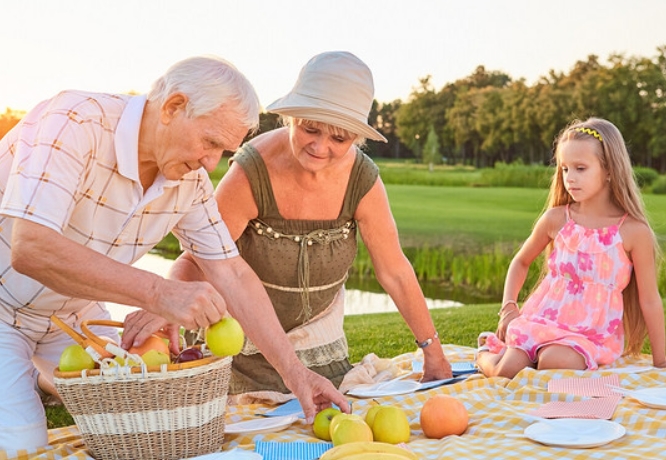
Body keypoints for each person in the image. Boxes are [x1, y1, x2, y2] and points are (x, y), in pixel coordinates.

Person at [0, 55, 348, 450]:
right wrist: (160, 295)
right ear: (172, 107)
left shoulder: (190, 181)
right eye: (211, 142)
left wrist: (296, 374)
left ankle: (39, 375)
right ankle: (29, 373)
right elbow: (31, 247)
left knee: (140, 427)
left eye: (224, 150)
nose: (211, 164)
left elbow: (230, 273)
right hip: (2, 304)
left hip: (74, 317)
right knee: (19, 446)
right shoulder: (75, 122)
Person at [166, 51, 453, 404]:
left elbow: (394, 271)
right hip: (236, 351)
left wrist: (432, 351)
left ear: (356, 139)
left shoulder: (362, 181)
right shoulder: (250, 173)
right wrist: (161, 307)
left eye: (339, 138)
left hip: (318, 353)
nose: (320, 147)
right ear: (290, 117)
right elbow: (198, 259)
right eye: (310, 128)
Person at [476, 117, 666, 379]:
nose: (570, 179)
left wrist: (662, 362)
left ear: (609, 169)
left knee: (554, 362)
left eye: (580, 168)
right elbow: (521, 261)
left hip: (589, 334)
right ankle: (484, 354)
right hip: (543, 320)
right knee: (504, 370)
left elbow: (650, 300)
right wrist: (508, 307)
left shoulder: (633, 231)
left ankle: (536, 360)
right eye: (565, 169)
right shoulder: (556, 219)